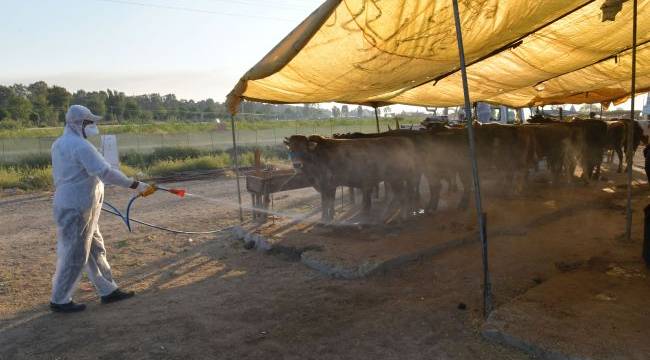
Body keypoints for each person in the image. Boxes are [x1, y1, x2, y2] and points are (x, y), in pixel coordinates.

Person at [49, 105, 153, 313]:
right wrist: (136, 185)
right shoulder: (80, 146)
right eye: (90, 122)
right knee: (75, 254)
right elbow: (106, 173)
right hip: (76, 207)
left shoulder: (60, 143)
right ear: (79, 124)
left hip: (80, 205)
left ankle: (108, 289)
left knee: (95, 248)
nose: (94, 126)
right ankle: (59, 299)